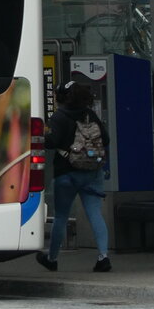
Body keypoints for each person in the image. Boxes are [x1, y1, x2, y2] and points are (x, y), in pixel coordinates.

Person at [36, 80, 112, 272]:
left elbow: (51, 142)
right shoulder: (91, 114)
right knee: (95, 214)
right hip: (92, 172)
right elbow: (106, 139)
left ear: (61, 97)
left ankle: (52, 259)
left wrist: (42, 131)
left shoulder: (59, 117)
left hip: (66, 174)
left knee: (61, 216)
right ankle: (103, 257)